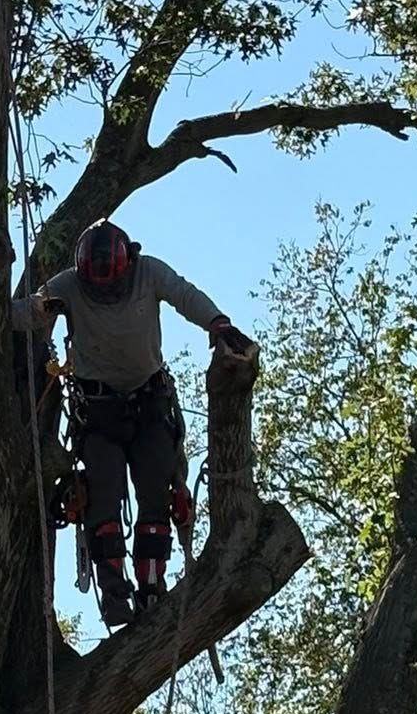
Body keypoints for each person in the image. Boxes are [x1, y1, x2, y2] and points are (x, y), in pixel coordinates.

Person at [16, 219, 249, 625]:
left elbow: (183, 293)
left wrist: (217, 322)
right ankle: (114, 591)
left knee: (156, 491)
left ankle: (151, 585)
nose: (105, 290)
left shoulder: (148, 273)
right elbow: (26, 312)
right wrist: (35, 306)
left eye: (111, 281)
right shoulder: (69, 285)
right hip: (99, 412)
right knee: (103, 493)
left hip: (149, 404)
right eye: (97, 283)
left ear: (128, 264)